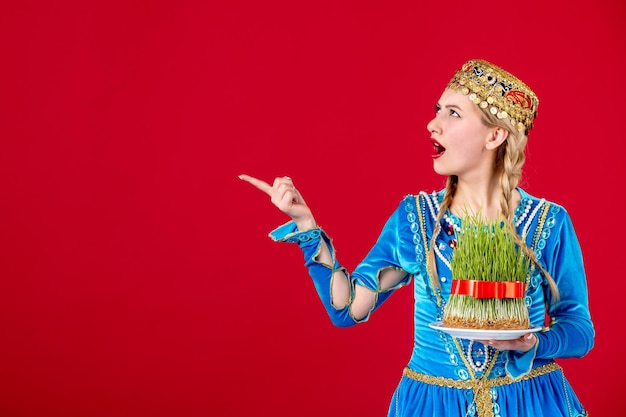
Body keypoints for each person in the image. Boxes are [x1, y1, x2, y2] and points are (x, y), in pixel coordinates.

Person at [239, 59, 594, 417]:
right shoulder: (417, 220)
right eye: (437, 110)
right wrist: (305, 225)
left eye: (453, 113)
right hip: (435, 405)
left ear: (494, 136)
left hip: (531, 403)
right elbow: (347, 310)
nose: (432, 124)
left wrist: (533, 342)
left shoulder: (548, 223)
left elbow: (579, 331)